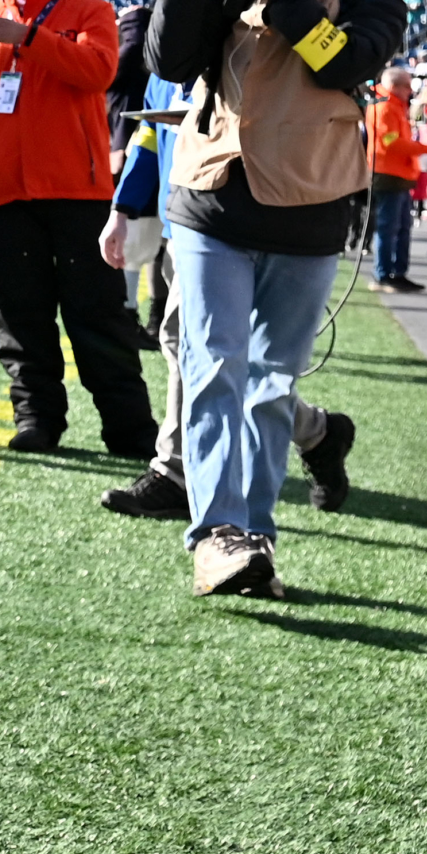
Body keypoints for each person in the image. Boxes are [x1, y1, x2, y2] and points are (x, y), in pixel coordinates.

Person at [144, 0, 404, 597]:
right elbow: (170, 56)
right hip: (212, 199)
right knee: (214, 367)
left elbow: (339, 61)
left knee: (268, 387)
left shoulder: (377, 3)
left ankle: (254, 536)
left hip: (309, 212)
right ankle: (218, 537)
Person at [97, 70, 357, 522]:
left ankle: (177, 471)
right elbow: (149, 136)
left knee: (197, 345)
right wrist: (123, 206)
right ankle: (315, 431)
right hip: (187, 222)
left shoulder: (240, 45)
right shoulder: (167, 53)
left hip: (238, 222)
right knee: (202, 348)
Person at [0, 0, 157, 457]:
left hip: (77, 192)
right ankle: (36, 419)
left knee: (98, 315)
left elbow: (98, 72)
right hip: (7, 195)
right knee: (19, 314)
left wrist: (31, 39)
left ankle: (129, 430)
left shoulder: (92, 13)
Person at [365, 65, 427, 293]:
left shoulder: (394, 108)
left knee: (400, 227)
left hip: (398, 174)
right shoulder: (384, 109)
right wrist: (425, 148)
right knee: (389, 227)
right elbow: (390, 141)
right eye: (406, 87)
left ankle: (396, 273)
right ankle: (384, 274)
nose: (410, 92)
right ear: (394, 86)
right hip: (388, 174)